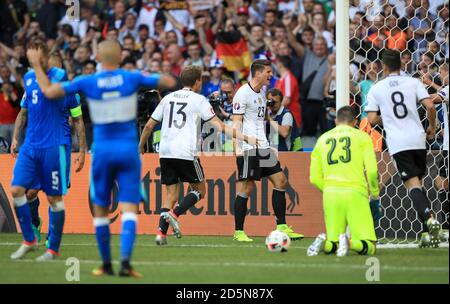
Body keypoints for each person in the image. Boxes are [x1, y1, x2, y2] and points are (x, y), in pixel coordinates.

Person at [28, 39, 177, 277]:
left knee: (100, 209)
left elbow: (48, 91)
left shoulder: (89, 81)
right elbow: (169, 81)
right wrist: (145, 75)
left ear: (97, 57)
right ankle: (126, 263)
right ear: (120, 57)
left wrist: (36, 64)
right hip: (128, 151)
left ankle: (106, 264)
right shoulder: (131, 78)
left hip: (103, 151)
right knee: (129, 209)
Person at [138, 65, 258, 245]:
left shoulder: (168, 98)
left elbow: (148, 126)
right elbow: (221, 127)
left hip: (165, 152)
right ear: (197, 82)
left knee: (171, 194)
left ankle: (160, 234)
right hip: (186, 152)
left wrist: (140, 146)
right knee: (200, 190)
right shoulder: (199, 100)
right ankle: (174, 214)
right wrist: (246, 137)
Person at [9, 40, 84, 263]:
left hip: (56, 145)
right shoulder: (29, 79)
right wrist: (15, 138)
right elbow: (23, 112)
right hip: (31, 146)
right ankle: (31, 235)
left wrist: (81, 149)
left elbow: (77, 119)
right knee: (22, 192)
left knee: (54, 197)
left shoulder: (62, 80)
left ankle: (53, 245)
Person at [366, 49, 441, 248]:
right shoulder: (413, 82)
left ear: (383, 67)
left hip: (399, 143)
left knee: (412, 186)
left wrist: (387, 118)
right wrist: (432, 129)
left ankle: (430, 220)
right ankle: (427, 235)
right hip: (418, 139)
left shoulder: (377, 88)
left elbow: (372, 119)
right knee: (420, 184)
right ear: (401, 65)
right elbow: (431, 107)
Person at [231, 59, 303, 242]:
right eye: (268, 72)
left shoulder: (262, 93)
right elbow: (236, 123)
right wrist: (237, 148)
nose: (271, 75)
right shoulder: (242, 94)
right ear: (258, 73)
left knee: (281, 180)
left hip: (263, 146)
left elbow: (260, 120)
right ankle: (238, 231)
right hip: (248, 147)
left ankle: (282, 226)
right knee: (247, 187)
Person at [308, 106, 380, 257]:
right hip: (355, 193)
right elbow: (372, 171)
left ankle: (325, 243)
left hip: (331, 194)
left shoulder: (322, 139)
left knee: (333, 243)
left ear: (336, 120)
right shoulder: (362, 137)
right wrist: (374, 194)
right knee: (370, 245)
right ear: (355, 121)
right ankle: (349, 243)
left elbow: (314, 178)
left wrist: (328, 188)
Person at [430, 61, 449, 242]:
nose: (441, 78)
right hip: (446, 146)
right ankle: (445, 225)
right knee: (441, 181)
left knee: (442, 182)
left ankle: (446, 226)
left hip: (449, 148)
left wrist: (418, 94)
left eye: (442, 73)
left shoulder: (448, 89)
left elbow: (434, 99)